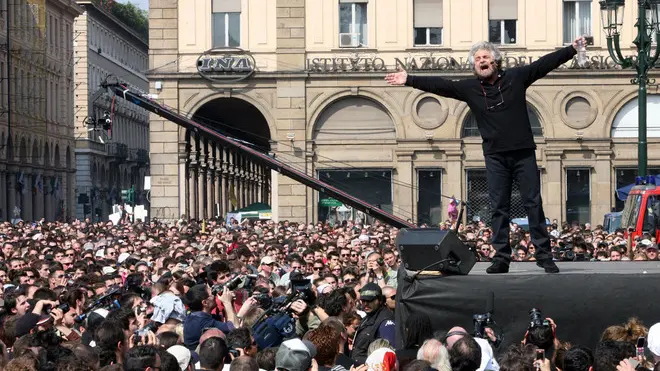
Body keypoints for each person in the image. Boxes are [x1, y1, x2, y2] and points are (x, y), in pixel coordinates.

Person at [385, 38, 589, 274]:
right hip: (495, 157)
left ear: (496, 60)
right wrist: (409, 79)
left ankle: (544, 256)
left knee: (533, 204)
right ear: (474, 66)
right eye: (478, 59)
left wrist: (571, 50)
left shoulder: (516, 78)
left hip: (523, 153)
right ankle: (501, 257)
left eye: (485, 57)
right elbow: (441, 84)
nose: (482, 61)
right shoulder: (470, 89)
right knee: (498, 207)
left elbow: (544, 64)